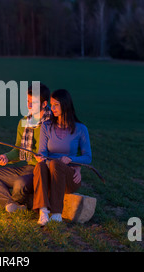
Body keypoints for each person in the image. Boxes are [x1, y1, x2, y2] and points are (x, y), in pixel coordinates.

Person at [0, 83, 51, 213]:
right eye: (28, 101)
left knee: (20, 183)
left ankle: (7, 203)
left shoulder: (53, 123)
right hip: (27, 169)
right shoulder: (24, 122)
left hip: (42, 170)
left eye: (33, 102)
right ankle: (12, 204)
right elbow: (18, 150)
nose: (29, 105)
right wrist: (6, 157)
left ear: (44, 104)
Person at [33, 89, 92, 225]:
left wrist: (72, 160)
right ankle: (43, 212)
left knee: (55, 164)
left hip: (69, 177)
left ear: (65, 105)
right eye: (51, 105)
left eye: (56, 105)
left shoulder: (81, 129)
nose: (51, 108)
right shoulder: (46, 126)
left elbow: (87, 157)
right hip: (49, 173)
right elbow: (42, 151)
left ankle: (57, 213)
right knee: (40, 165)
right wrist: (40, 157)